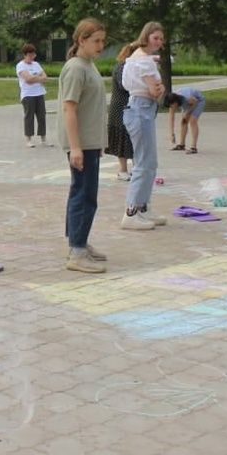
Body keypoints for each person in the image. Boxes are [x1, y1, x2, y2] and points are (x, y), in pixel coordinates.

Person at [57, 18, 109, 273]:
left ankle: (78, 242)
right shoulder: (76, 68)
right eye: (96, 40)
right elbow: (70, 108)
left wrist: (97, 141)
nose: (101, 45)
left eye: (103, 40)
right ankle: (76, 252)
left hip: (89, 141)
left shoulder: (88, 65)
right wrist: (76, 147)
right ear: (81, 40)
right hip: (81, 143)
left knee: (83, 192)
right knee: (84, 195)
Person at [121, 22, 168, 230]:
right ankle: (131, 212)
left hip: (140, 109)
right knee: (142, 163)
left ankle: (143, 207)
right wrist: (161, 87)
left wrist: (157, 89)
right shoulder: (144, 62)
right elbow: (155, 92)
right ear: (146, 36)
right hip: (141, 109)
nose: (159, 42)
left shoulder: (136, 58)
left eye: (161, 38)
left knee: (150, 162)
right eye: (155, 37)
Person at [105, 42, 138, 182]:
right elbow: (124, 85)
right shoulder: (122, 67)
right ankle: (123, 170)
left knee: (134, 138)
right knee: (122, 137)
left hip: (130, 107)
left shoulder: (131, 67)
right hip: (120, 107)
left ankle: (136, 169)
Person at [15, 43, 49, 147]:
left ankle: (43, 139)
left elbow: (45, 77)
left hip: (39, 93)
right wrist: (38, 77)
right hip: (28, 95)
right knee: (29, 116)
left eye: (33, 54)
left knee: (42, 116)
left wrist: (35, 77)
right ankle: (28, 139)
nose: (32, 57)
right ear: (25, 54)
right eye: (30, 55)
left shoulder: (36, 64)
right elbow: (28, 80)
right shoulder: (20, 65)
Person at [166, 87, 205, 153]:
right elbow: (171, 119)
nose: (172, 107)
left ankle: (193, 147)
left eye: (172, 105)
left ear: (175, 102)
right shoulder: (171, 101)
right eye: (170, 106)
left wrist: (187, 112)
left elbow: (195, 102)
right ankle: (182, 145)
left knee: (193, 121)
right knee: (183, 121)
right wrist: (171, 134)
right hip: (188, 103)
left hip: (198, 101)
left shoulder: (187, 97)